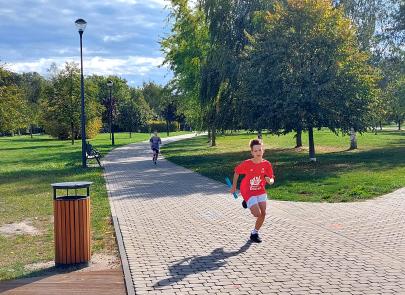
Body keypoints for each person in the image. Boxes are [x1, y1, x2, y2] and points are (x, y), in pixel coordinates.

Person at [230, 139, 275, 243]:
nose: (258, 152)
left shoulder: (267, 164)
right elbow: (236, 172)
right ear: (252, 152)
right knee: (257, 214)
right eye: (255, 151)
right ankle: (246, 201)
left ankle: (254, 233)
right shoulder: (247, 163)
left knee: (263, 213)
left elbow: (271, 178)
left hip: (260, 190)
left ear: (263, 150)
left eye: (260, 150)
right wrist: (233, 187)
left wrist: (270, 181)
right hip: (248, 190)